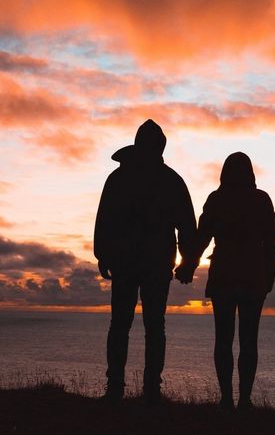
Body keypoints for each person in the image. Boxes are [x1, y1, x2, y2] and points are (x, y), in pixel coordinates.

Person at [94, 120, 197, 404]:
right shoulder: (168, 180)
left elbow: (105, 220)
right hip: (147, 262)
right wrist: (187, 261)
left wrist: (103, 253)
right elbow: (187, 225)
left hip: (135, 262)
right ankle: (143, 389)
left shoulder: (122, 178)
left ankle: (126, 388)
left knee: (126, 325)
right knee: (148, 326)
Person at [182, 152, 275, 409]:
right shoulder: (261, 200)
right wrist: (268, 277)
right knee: (248, 340)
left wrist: (187, 266)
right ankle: (243, 399)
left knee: (224, 339)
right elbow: (271, 245)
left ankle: (227, 398)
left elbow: (202, 239)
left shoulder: (217, 199)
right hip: (252, 277)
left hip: (225, 275)